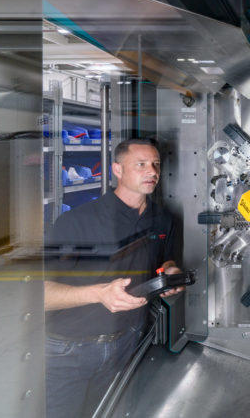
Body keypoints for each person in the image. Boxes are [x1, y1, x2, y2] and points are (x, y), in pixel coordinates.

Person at [44, 138, 183, 418]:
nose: (152, 172)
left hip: (126, 344)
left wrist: (170, 273)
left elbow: (165, 261)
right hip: (68, 351)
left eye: (155, 164)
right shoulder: (76, 222)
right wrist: (99, 293)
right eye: (141, 164)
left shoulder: (163, 220)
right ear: (117, 170)